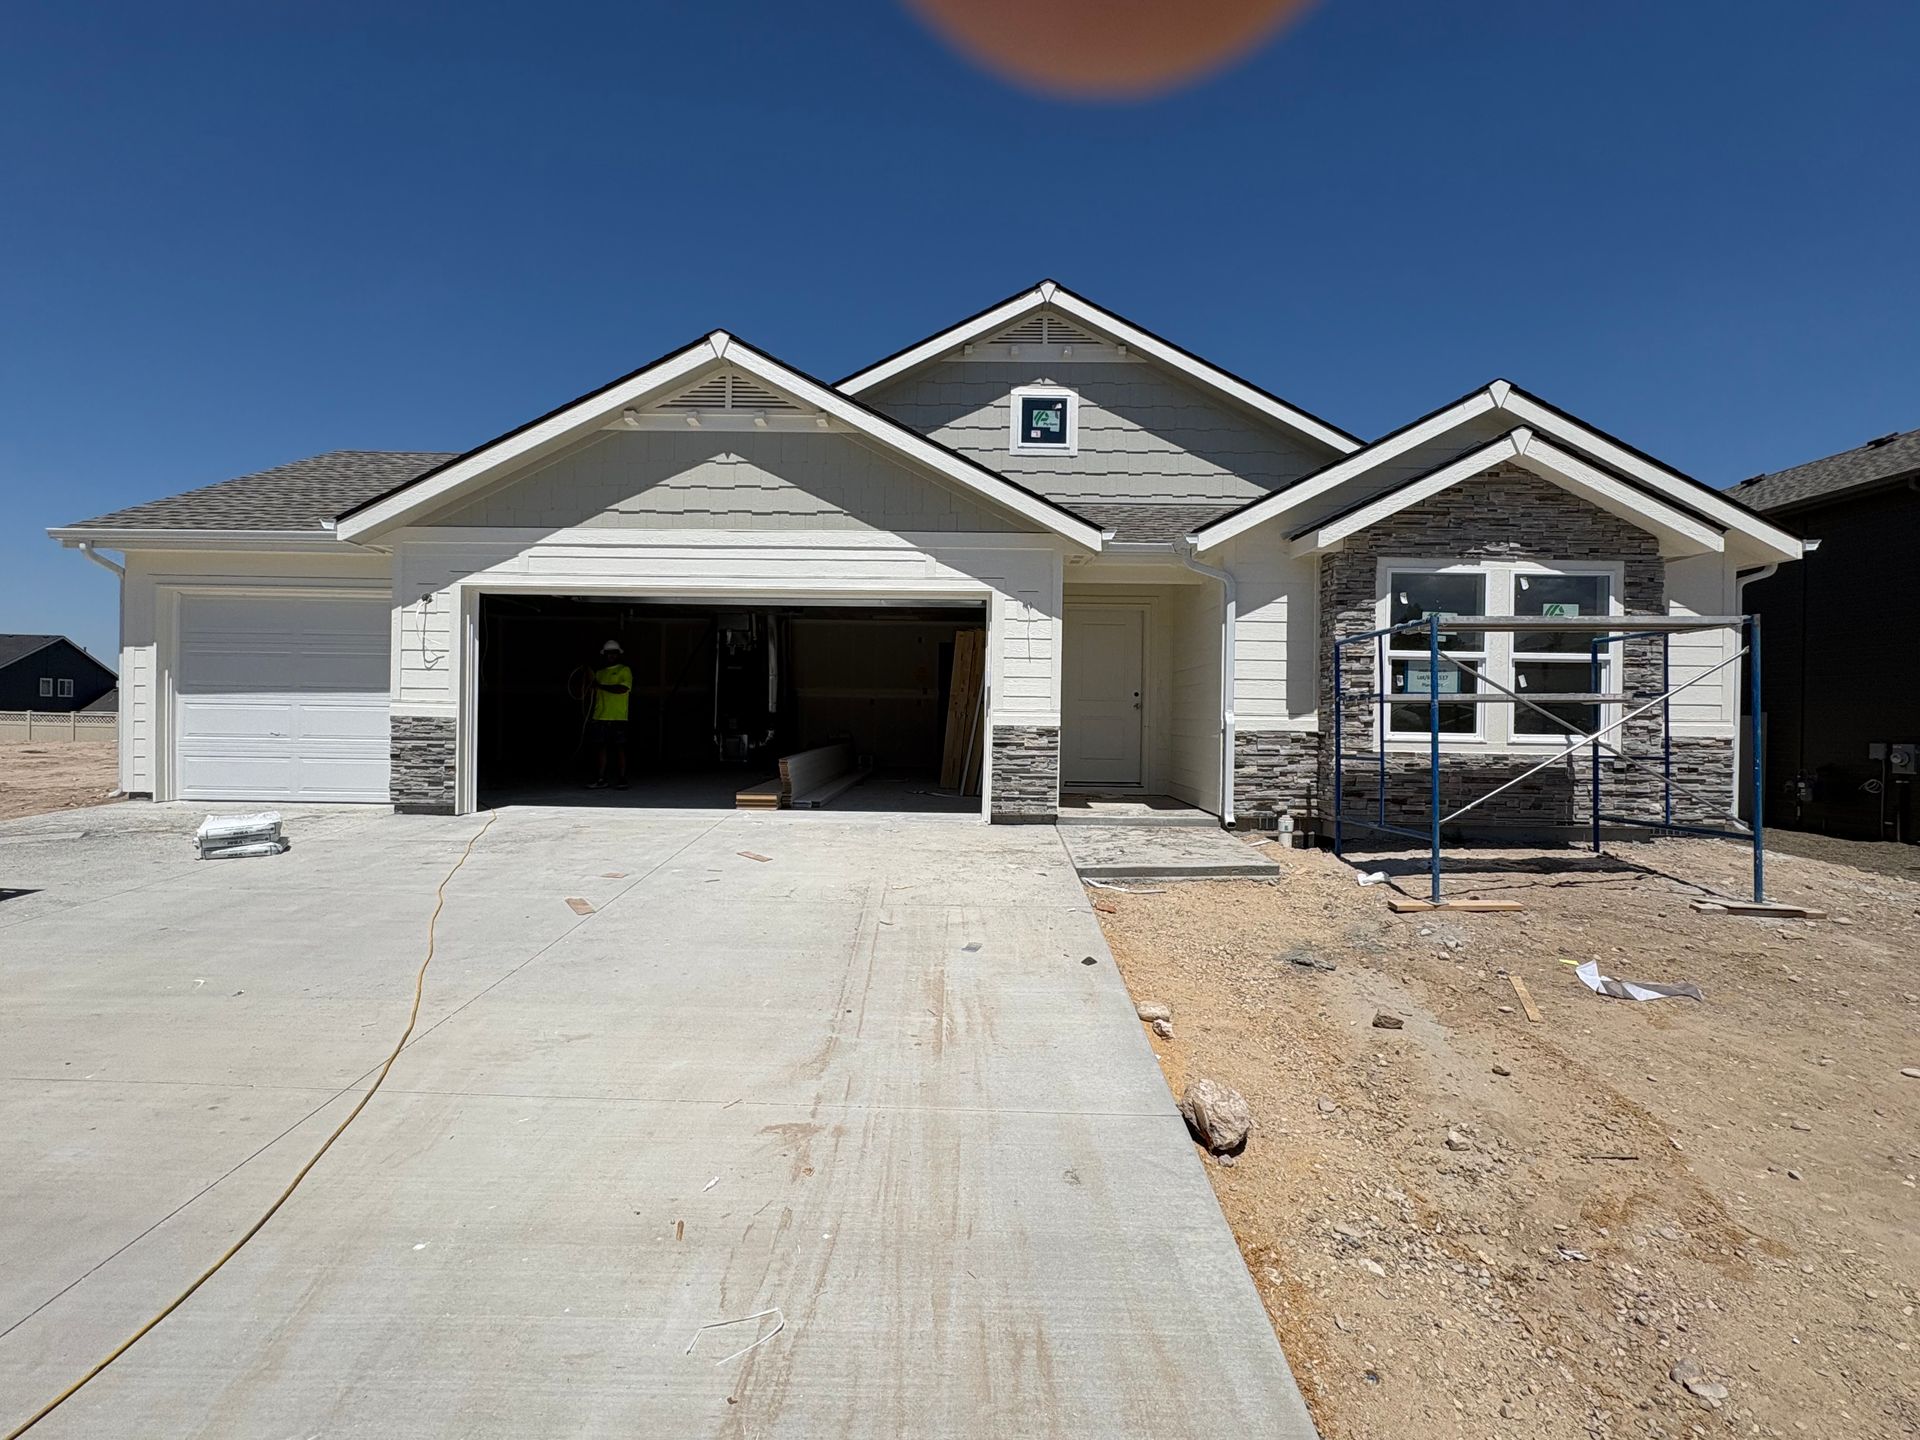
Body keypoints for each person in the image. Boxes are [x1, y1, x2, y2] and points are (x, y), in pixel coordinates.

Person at [586, 639, 632, 790]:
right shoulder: (599, 673)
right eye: (608, 653)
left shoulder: (624, 670)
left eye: (613, 653)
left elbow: (622, 689)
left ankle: (622, 779)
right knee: (600, 748)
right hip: (600, 716)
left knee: (620, 748)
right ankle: (600, 779)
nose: (611, 656)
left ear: (618, 654)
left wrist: (600, 686)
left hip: (618, 716)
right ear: (604, 655)